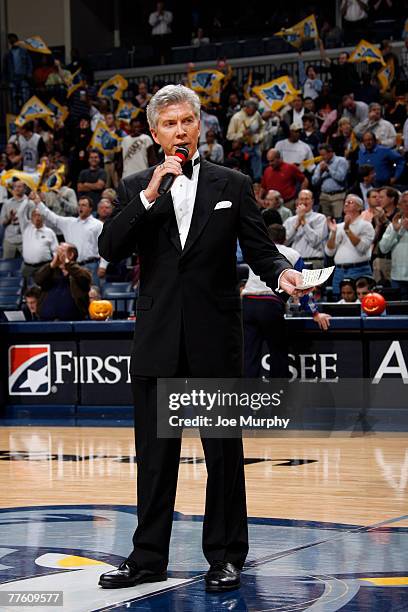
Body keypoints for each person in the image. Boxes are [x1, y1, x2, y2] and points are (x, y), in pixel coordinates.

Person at [98, 84, 303, 593]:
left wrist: (281, 275)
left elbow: (261, 249)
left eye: (187, 120)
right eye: (169, 124)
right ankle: (147, 558)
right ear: (154, 132)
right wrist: (149, 195)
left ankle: (227, 556)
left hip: (214, 338)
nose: (180, 130)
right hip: (158, 338)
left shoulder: (231, 182)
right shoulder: (135, 187)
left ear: (201, 126)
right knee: (155, 458)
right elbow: (110, 249)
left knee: (223, 456)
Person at [242, 223, 331, 377]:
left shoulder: (257, 252)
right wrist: (315, 313)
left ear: (267, 237)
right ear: (284, 238)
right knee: (278, 351)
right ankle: (279, 395)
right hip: (269, 304)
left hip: (248, 303)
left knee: (250, 354)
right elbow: (304, 286)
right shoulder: (292, 254)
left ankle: (248, 397)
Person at [34, 194, 103, 282]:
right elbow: (52, 217)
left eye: (84, 205)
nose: (80, 207)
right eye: (79, 205)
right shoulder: (69, 222)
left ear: (90, 208)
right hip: (71, 265)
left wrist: (103, 266)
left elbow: (105, 247)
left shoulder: (98, 225)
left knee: (92, 292)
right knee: (72, 292)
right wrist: (39, 203)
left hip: (90, 265)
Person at [325, 194, 375, 297]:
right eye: (346, 202)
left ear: (359, 207)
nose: (346, 204)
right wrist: (333, 233)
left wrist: (347, 230)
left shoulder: (366, 226)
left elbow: (362, 248)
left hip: (359, 270)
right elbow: (329, 252)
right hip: (339, 271)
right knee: (338, 299)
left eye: (351, 202)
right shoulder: (337, 227)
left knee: (362, 299)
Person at [34, 243, 92, 321]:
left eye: (61, 251)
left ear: (71, 255)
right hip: (46, 321)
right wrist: (51, 265)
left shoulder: (81, 271)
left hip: (73, 322)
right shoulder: (50, 272)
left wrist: (68, 264)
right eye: (56, 252)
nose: (57, 255)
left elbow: (84, 279)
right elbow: (38, 280)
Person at [16, 198, 58, 284]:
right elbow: (20, 213)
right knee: (28, 293)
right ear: (31, 218)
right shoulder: (26, 227)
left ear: (43, 217)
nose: (37, 217)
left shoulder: (49, 232)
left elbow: (56, 251)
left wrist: (53, 265)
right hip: (28, 267)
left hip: (44, 266)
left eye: (39, 215)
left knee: (44, 291)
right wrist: (27, 199)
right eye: (34, 215)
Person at [284, 189, 328, 268]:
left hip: (315, 262)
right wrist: (297, 224)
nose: (304, 202)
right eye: (301, 199)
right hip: (295, 262)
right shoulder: (290, 221)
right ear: (297, 201)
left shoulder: (320, 218)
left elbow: (315, 241)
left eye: (307, 199)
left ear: (312, 201)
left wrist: (303, 221)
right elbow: (284, 242)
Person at [226, 98, 265, 181]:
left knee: (257, 160)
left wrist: (259, 137)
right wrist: (242, 134)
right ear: (247, 107)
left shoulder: (257, 115)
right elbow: (229, 136)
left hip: (255, 145)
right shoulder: (236, 117)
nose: (254, 112)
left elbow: (262, 127)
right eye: (253, 110)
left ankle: (257, 181)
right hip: (242, 147)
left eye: (255, 110)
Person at [379, 191, 408, 299]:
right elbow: (384, 248)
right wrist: (396, 231)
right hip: (398, 277)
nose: (407, 205)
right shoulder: (393, 225)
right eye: (404, 202)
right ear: (399, 205)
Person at [312, 144, 349, 219]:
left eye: (324, 155)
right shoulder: (321, 164)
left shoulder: (341, 161)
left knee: (338, 220)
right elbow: (314, 182)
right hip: (324, 197)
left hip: (338, 196)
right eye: (321, 155)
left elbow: (341, 177)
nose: (322, 157)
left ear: (330, 153)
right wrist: (320, 173)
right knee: (325, 220)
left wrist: (328, 170)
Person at [4, 33, 32, 114]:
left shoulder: (24, 52)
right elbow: (5, 69)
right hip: (12, 79)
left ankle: (25, 116)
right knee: (13, 99)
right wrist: (5, 81)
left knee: (25, 98)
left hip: (23, 78)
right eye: (10, 39)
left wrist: (29, 74)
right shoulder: (8, 54)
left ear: (17, 40)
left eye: (13, 39)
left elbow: (29, 64)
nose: (12, 41)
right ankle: (15, 117)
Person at [0, 180, 28, 259]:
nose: (17, 189)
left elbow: (34, 222)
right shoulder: (7, 203)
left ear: (25, 189)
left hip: (25, 240)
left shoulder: (29, 203)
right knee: (6, 267)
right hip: (9, 240)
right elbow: (2, 223)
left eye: (19, 186)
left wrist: (22, 221)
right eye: (15, 186)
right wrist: (10, 218)